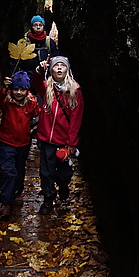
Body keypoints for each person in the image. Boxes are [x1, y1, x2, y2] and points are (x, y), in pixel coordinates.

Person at [33, 56, 84, 214]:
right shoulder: (46, 88)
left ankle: (63, 187)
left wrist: (72, 143)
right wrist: (39, 70)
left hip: (64, 142)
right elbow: (35, 82)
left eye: (63, 66)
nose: (60, 68)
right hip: (47, 140)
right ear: (51, 69)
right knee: (46, 173)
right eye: (56, 66)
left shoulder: (75, 91)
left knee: (63, 174)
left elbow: (76, 119)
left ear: (67, 69)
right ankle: (48, 199)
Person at [0, 71, 40, 218]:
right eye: (16, 89)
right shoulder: (7, 101)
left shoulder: (31, 103)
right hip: (6, 142)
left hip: (23, 143)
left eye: (22, 89)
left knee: (19, 170)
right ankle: (6, 202)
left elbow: (39, 115)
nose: (19, 92)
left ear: (27, 90)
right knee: (8, 171)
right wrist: (4, 89)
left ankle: (17, 192)